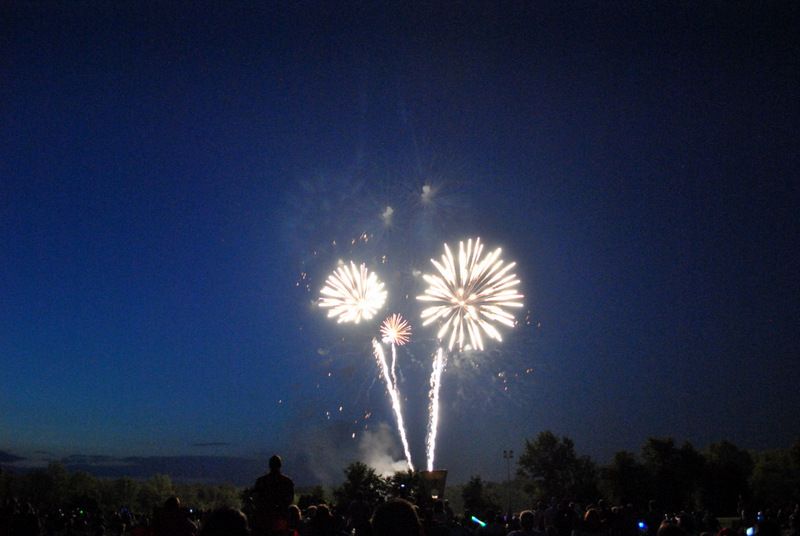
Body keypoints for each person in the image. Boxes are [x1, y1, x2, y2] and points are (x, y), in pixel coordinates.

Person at [253, 455, 295, 536]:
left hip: (264, 519)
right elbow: (290, 499)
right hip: (281, 518)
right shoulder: (287, 482)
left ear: (269, 465)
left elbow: (256, 499)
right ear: (280, 465)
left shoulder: (261, 481)